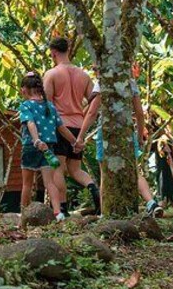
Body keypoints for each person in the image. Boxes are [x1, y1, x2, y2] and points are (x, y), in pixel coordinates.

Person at [77, 63, 163, 217]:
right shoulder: (129, 81)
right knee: (134, 170)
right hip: (127, 129)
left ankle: (105, 212)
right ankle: (151, 202)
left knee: (105, 170)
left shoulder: (103, 82)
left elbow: (92, 112)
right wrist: (139, 135)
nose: (95, 73)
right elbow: (139, 112)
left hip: (107, 131)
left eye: (96, 70)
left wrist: (81, 135)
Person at [43, 37, 100, 215]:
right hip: (78, 125)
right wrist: (81, 111)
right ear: (68, 50)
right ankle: (93, 189)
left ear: (53, 52)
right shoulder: (83, 75)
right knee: (75, 169)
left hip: (59, 127)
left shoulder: (51, 74)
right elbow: (94, 99)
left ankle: (63, 208)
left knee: (58, 168)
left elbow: (48, 105)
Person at [19, 72, 81, 222]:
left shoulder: (26, 105)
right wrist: (74, 141)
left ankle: (23, 214)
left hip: (31, 146)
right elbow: (61, 128)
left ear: (24, 90)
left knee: (27, 183)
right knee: (50, 182)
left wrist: (36, 140)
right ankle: (57, 212)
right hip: (48, 149)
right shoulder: (50, 106)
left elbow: (30, 123)